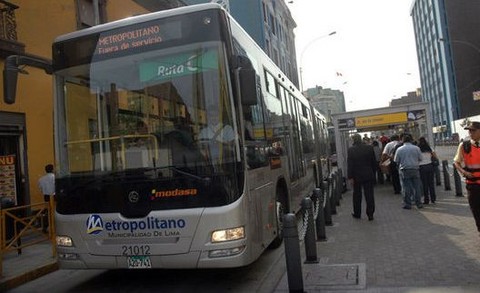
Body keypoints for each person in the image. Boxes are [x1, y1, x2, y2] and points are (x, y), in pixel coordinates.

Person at [453, 121, 480, 236]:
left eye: (473, 130)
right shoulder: (464, 145)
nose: (470, 132)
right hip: (473, 184)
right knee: (476, 210)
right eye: (469, 130)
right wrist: (464, 172)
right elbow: (456, 162)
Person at [347, 134, 377, 221]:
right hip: (368, 174)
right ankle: (370, 214)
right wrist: (373, 173)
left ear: (353, 140)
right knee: (369, 195)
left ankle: (357, 213)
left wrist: (350, 177)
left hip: (356, 176)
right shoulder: (369, 148)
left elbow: (350, 165)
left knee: (357, 195)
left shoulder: (351, 150)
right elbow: (373, 162)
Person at [394, 134, 423, 209]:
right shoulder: (416, 148)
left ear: (403, 141)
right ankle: (419, 203)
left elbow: (396, 160)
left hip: (405, 170)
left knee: (406, 187)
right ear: (411, 140)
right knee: (417, 187)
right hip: (415, 169)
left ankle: (408, 204)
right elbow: (420, 158)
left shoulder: (399, 149)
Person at [418, 137, 437, 204]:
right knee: (431, 183)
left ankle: (426, 200)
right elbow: (435, 156)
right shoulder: (429, 148)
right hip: (430, 166)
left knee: (424, 184)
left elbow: (417, 159)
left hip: (422, 167)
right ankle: (433, 199)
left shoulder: (418, 149)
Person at [38, 164, 55, 232]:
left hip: (46, 197)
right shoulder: (55, 177)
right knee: (56, 211)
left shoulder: (41, 179)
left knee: (47, 211)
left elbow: (41, 189)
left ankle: (45, 226)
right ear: (52, 169)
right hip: (55, 196)